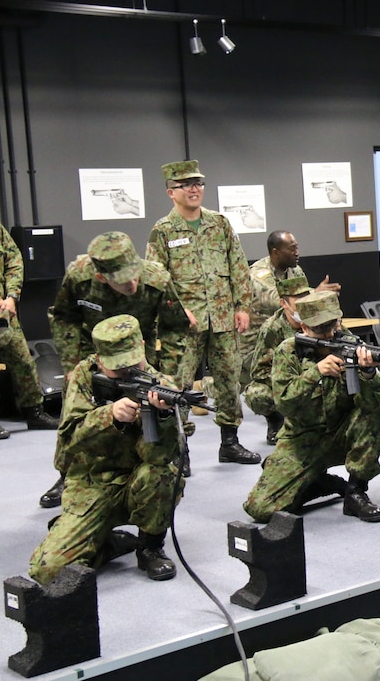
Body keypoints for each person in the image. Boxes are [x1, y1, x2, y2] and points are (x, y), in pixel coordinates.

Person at [41, 231, 195, 509]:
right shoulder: (79, 276)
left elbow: (176, 326)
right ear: (101, 277)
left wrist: (169, 374)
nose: (133, 284)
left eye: (135, 274)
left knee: (159, 405)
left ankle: (174, 452)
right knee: (74, 412)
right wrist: (72, 365)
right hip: (93, 351)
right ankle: (67, 473)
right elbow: (64, 318)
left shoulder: (157, 277)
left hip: (138, 351)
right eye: (124, 281)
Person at [28, 315, 184, 584]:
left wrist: (163, 417)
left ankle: (150, 547)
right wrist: (109, 414)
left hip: (136, 483)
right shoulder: (83, 377)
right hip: (90, 485)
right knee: (47, 571)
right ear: (99, 360)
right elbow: (69, 439)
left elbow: (159, 458)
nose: (127, 372)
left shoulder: (161, 386)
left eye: (133, 364)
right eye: (118, 367)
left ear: (144, 347)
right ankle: (105, 544)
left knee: (163, 474)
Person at [243, 290, 380, 523]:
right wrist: (316, 373)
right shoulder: (288, 351)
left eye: (332, 326)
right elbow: (283, 403)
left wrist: (368, 374)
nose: (329, 334)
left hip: (342, 435)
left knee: (372, 415)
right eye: (320, 329)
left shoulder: (352, 344)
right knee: (260, 509)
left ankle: (355, 492)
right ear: (304, 328)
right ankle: (321, 483)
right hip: (301, 441)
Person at [145, 160, 261, 468]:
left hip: (223, 317)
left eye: (198, 184)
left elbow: (238, 266)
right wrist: (179, 309)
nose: (195, 189)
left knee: (229, 380)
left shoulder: (219, 224)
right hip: (185, 325)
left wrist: (243, 306)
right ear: (172, 192)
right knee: (178, 384)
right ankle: (179, 447)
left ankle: (230, 441)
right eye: (187, 185)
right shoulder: (163, 231)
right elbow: (156, 278)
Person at [0, 175, 59, 439]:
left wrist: (12, 295)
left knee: (23, 362)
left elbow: (15, 260)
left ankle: (35, 412)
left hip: (6, 312)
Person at [240, 230, 339, 380]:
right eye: (292, 249)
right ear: (276, 252)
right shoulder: (258, 275)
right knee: (244, 385)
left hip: (284, 333)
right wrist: (316, 293)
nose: (297, 253)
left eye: (297, 248)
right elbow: (276, 301)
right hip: (256, 342)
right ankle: (204, 386)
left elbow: (302, 299)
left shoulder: (295, 270)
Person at [243, 274, 312, 445]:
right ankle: (276, 421)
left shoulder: (318, 318)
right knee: (256, 394)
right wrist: (288, 380)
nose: (303, 305)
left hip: (318, 377)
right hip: (285, 380)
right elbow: (259, 371)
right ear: (284, 303)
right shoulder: (272, 328)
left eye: (306, 299)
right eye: (298, 301)